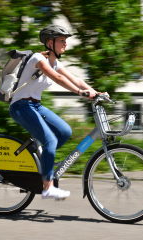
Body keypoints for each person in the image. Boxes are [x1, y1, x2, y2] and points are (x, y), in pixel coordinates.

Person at [9, 25, 108, 199]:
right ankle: (48, 187)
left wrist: (96, 92)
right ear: (50, 42)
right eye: (62, 40)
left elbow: (74, 78)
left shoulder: (55, 62)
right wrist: (80, 93)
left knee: (64, 132)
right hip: (20, 106)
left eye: (65, 41)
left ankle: (43, 161)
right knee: (50, 139)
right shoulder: (37, 58)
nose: (65, 44)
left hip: (35, 106)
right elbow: (58, 78)